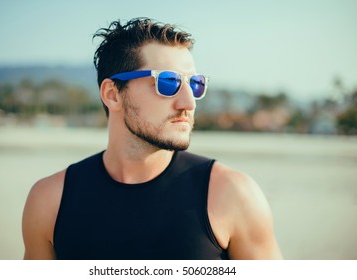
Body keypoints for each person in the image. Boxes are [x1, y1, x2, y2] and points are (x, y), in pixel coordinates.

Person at [22, 17, 283, 260]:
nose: (188, 102)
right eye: (168, 82)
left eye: (195, 84)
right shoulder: (50, 201)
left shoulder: (233, 195)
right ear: (113, 94)